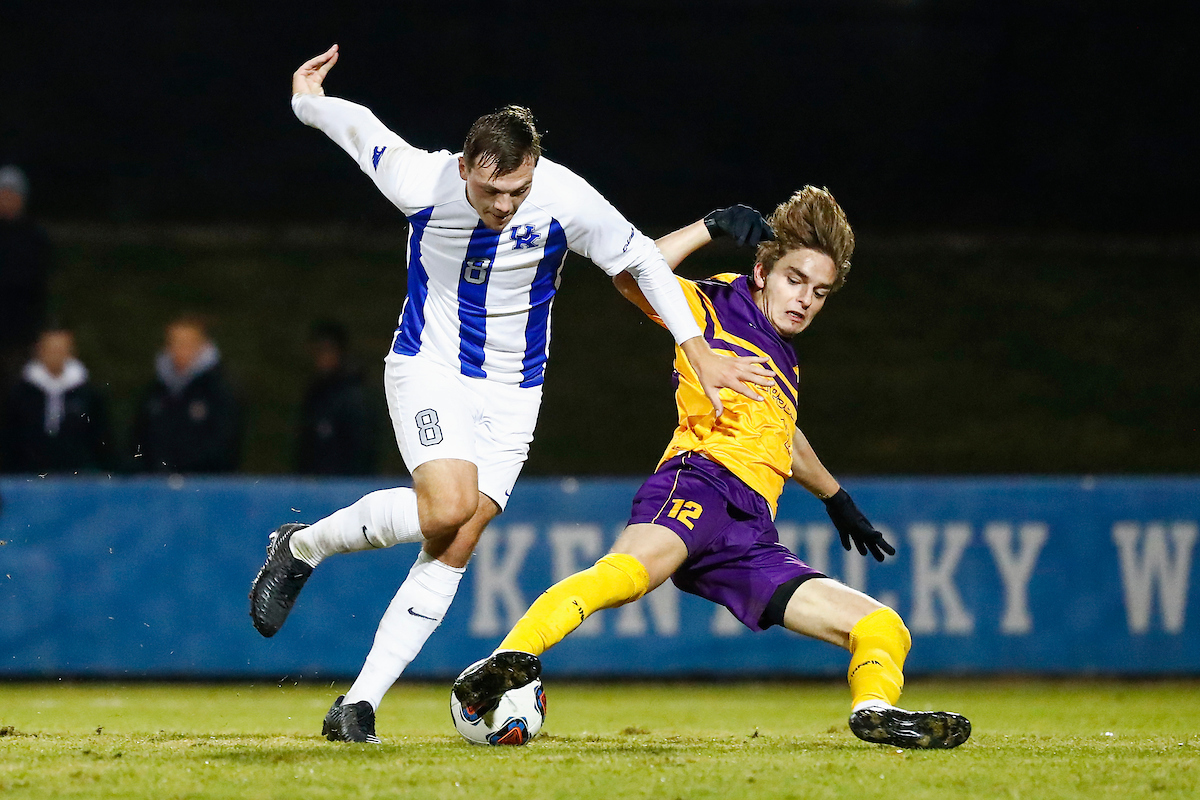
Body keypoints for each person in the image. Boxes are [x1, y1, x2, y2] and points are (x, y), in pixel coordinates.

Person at [249, 45, 774, 744]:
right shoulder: (422, 180)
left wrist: (695, 345)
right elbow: (359, 131)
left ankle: (357, 706)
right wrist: (306, 102)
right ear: (465, 166)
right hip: (428, 367)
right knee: (449, 506)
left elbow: (641, 258)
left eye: (516, 191)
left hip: (513, 395)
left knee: (456, 536)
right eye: (491, 190)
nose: (503, 205)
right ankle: (304, 546)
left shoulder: (562, 196)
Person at [453, 189, 972, 750]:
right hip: (700, 480)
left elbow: (784, 437)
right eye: (795, 279)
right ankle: (511, 658)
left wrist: (835, 497)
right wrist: (709, 225)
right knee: (626, 574)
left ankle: (874, 711)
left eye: (819, 291)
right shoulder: (717, 303)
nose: (805, 300)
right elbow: (632, 275)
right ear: (762, 270)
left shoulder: (785, 359)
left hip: (750, 532)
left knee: (882, 626)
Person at [130, 315, 242, 473]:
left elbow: (225, 443)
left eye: (186, 343)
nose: (179, 349)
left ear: (202, 345)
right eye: (174, 343)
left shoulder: (220, 389)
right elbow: (139, 439)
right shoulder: (156, 390)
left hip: (205, 484)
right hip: (157, 483)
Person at [1, 325, 114, 474]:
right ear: (39, 350)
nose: (56, 355)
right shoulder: (20, 394)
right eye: (51, 349)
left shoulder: (88, 395)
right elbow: (9, 438)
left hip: (78, 479)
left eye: (61, 350)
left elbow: (101, 440)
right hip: (27, 478)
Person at [295, 320, 377, 476]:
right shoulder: (315, 394)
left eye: (327, 350)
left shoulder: (356, 398)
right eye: (317, 351)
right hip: (313, 488)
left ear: (340, 352)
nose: (322, 357)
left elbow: (363, 451)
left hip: (347, 488)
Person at [0, 165, 54, 392]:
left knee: (17, 392)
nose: (7, 199)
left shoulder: (34, 237)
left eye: (13, 194)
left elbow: (39, 286)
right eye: (3, 194)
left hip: (21, 334)